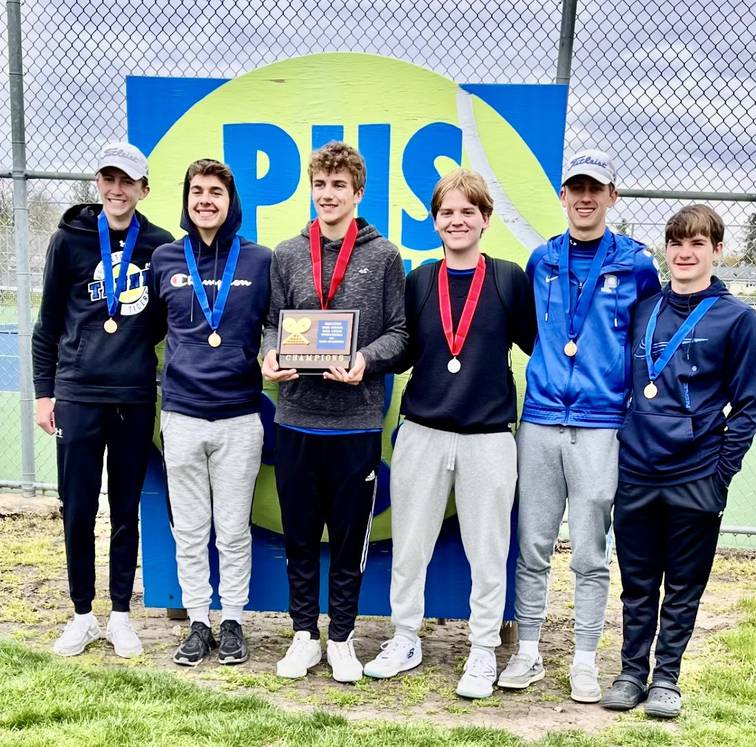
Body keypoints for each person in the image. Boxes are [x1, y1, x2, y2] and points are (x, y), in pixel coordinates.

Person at [362, 169, 535, 698]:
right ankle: (406, 637)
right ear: (434, 221)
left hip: (488, 436)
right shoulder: (418, 279)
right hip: (423, 431)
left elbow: (535, 345)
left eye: (467, 211)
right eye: (446, 212)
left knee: (489, 548)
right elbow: (404, 350)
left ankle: (483, 649)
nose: (456, 220)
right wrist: (350, 356)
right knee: (411, 544)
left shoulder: (508, 278)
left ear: (485, 219)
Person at [499, 150, 660, 701]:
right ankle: (527, 653)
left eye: (595, 188)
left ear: (612, 196)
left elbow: (648, 343)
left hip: (600, 425)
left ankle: (586, 659)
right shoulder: (542, 259)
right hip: (541, 419)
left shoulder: (637, 264)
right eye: (575, 189)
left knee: (592, 550)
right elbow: (531, 335)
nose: (585, 198)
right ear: (563, 196)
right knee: (533, 543)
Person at [601, 205, 756, 718]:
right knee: (638, 580)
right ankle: (631, 672)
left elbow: (749, 405)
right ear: (666, 249)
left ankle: (667, 677)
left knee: (685, 582)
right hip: (637, 470)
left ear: (717, 250)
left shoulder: (738, 319)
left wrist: (720, 475)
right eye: (676, 243)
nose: (685, 253)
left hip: (697, 474)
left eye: (697, 244)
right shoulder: (644, 309)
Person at [262, 141, 406, 683]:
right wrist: (270, 354)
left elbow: (401, 334)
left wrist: (365, 361)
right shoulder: (287, 253)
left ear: (358, 192)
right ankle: (303, 635)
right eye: (320, 185)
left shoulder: (384, 256)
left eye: (339, 186)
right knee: (300, 535)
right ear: (311, 188)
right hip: (296, 418)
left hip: (357, 423)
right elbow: (272, 322)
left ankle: (341, 637)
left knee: (349, 540)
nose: (328, 194)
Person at [32, 142, 173, 658]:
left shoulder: (159, 246)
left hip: (134, 396)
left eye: (127, 181)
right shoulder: (68, 241)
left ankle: (119, 615)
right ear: (99, 184)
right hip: (77, 394)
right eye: (109, 179)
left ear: (143, 189)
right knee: (78, 508)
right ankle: (82, 614)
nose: (117, 189)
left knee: (126, 508)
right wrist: (44, 393)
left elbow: (164, 319)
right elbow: (47, 324)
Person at [151, 159, 271, 667]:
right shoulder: (163, 258)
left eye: (215, 192)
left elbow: (277, 325)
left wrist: (271, 351)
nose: (205, 200)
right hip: (180, 415)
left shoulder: (259, 260)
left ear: (231, 200)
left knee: (234, 528)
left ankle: (234, 622)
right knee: (191, 529)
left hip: (240, 416)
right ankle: (199, 619)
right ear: (186, 199)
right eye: (196, 191)